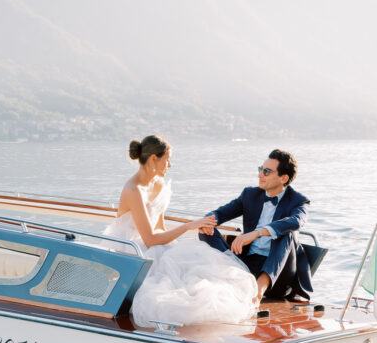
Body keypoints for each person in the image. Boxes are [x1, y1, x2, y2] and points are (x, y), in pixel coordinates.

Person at [104, 135, 257, 327]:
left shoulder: (158, 184)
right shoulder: (134, 190)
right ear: (154, 159)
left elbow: (160, 228)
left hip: (155, 244)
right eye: (167, 159)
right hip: (133, 249)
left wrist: (177, 245)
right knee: (168, 289)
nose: (170, 165)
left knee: (195, 268)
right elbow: (150, 239)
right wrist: (188, 226)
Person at [199, 149, 313, 302]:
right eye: (261, 169)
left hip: (279, 276)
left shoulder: (298, 200)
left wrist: (257, 233)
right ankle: (233, 273)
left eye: (267, 171)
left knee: (286, 231)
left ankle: (260, 287)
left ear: (283, 178)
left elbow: (296, 221)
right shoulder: (250, 194)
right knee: (205, 229)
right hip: (248, 264)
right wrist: (207, 220)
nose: (260, 175)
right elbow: (221, 213)